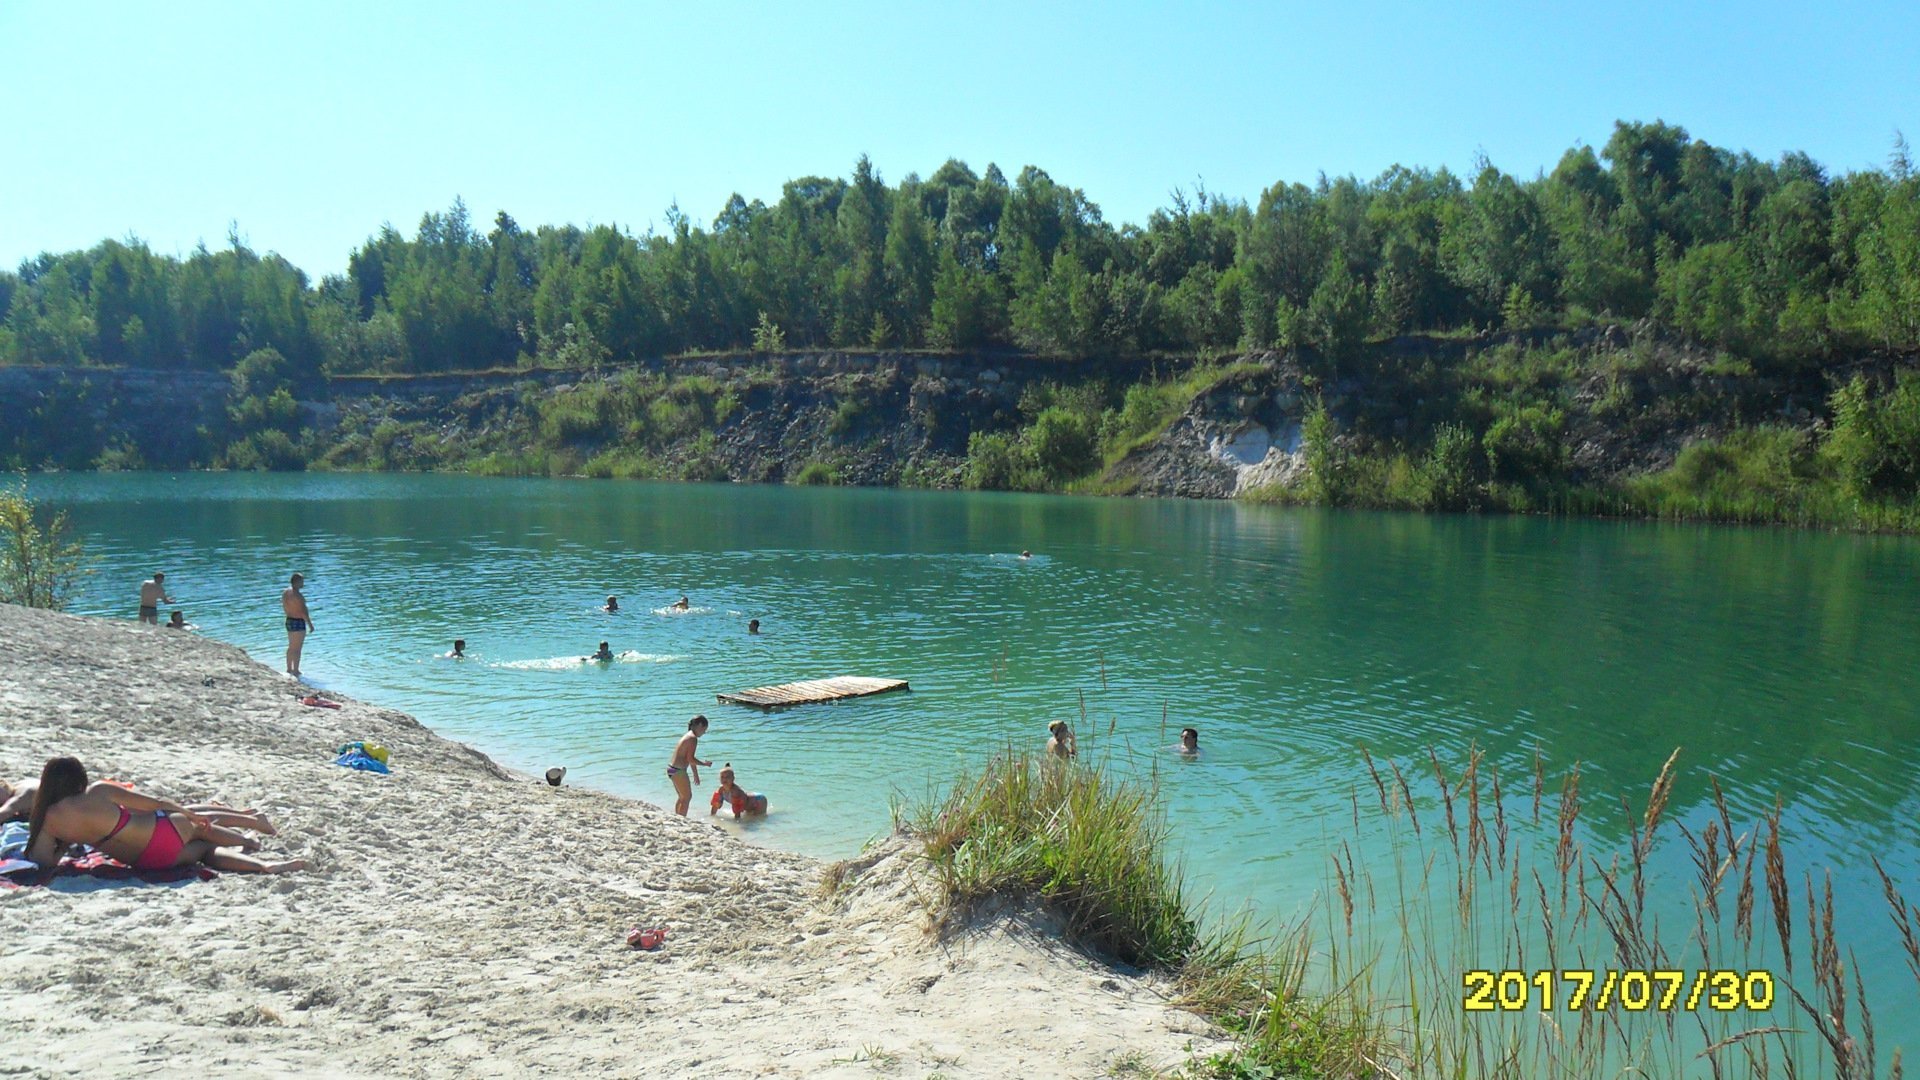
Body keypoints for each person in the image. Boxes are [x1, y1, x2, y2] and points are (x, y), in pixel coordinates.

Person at [22, 757, 302, 874]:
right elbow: (154, 803)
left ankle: (261, 865)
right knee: (198, 822)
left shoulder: (48, 819)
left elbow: (44, 862)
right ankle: (251, 839)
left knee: (204, 850)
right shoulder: (99, 791)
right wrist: (183, 810)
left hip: (149, 861)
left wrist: (66, 846)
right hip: (160, 833)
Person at [1, 776, 275, 835]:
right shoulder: (25, 783)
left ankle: (252, 822)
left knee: (179, 815)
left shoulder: (21, 794)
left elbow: (5, 813)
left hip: (104, 805)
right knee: (179, 810)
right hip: (103, 799)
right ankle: (246, 816)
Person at [666, 715, 712, 816]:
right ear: (700, 725)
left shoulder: (688, 735)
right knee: (687, 797)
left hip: (671, 769)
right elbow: (690, 759)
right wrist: (704, 764)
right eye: (704, 729)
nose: (704, 733)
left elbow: (689, 758)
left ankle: (677, 817)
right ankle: (682, 819)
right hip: (678, 771)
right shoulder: (693, 738)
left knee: (682, 797)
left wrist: (695, 774)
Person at [282, 573, 313, 677]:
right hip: (298, 621)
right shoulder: (298, 596)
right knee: (297, 648)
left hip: (289, 620)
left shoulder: (286, 592)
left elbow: (284, 606)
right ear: (297, 582)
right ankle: (296, 670)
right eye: (302, 581)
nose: (303, 583)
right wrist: (310, 625)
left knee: (291, 646)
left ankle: (288, 668)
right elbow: (304, 612)